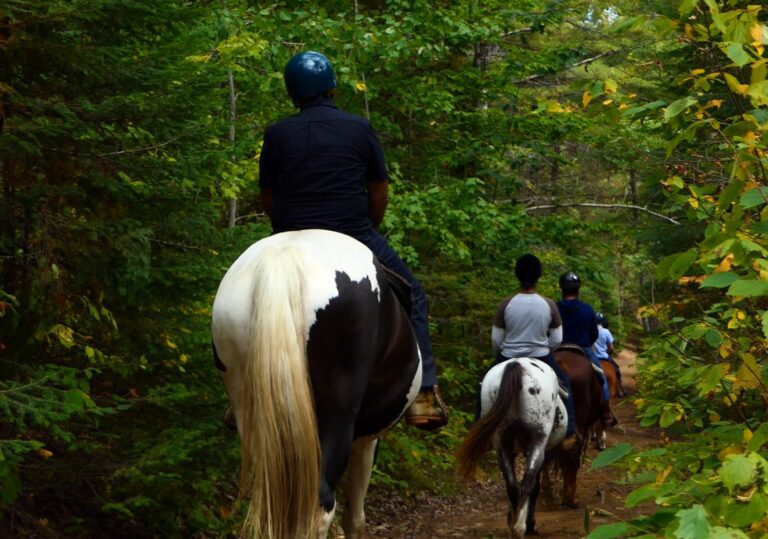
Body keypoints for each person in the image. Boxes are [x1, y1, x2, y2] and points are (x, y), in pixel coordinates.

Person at [258, 51, 447, 431]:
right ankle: (424, 393)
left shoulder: (276, 133)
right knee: (415, 293)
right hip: (352, 231)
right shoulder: (359, 128)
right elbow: (379, 190)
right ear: (331, 87)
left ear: (292, 91)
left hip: (290, 234)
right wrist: (369, 228)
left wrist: (283, 228)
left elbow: (268, 196)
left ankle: (240, 396)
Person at [485, 254, 578, 449]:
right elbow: (557, 338)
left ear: (517, 275)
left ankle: (481, 430)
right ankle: (569, 433)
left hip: (508, 354)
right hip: (541, 355)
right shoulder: (549, 304)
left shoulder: (506, 304)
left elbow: (496, 339)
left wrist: (501, 353)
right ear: (538, 276)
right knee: (565, 386)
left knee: (483, 385)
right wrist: (546, 349)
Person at [556, 271, 617, 428]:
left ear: (561, 288)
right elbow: (593, 334)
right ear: (578, 289)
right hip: (582, 348)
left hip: (557, 349)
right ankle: (605, 412)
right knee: (601, 377)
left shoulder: (554, 308)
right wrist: (586, 343)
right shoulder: (587, 309)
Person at [594, 313, 627, 398]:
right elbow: (611, 348)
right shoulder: (606, 331)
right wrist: (608, 353)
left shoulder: (588, 330)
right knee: (616, 368)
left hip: (592, 358)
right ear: (601, 321)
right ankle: (620, 389)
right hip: (604, 357)